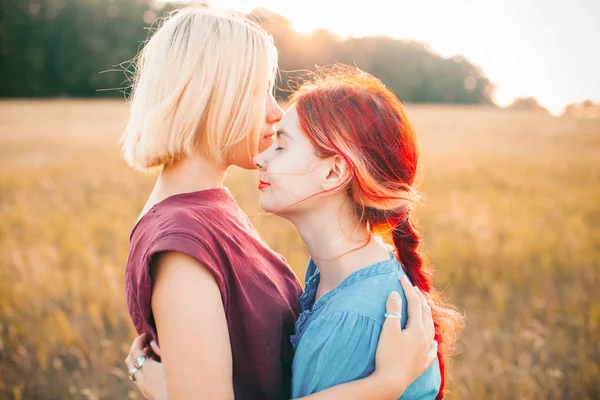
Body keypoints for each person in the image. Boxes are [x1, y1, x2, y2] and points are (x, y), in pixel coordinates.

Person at [122, 6, 438, 400]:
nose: (274, 112)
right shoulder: (182, 241)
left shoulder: (210, 207)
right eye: (259, 93)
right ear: (214, 98)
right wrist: (382, 385)